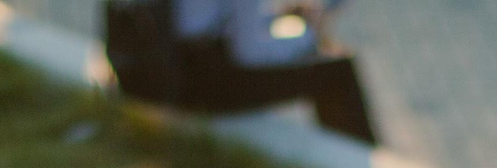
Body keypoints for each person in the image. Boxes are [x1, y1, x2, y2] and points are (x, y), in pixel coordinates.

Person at [104, 0, 378, 146]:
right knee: (338, 71)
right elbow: (250, 54)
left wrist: (277, 17)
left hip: (143, 74)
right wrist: (309, 34)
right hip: (199, 88)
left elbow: (201, 18)